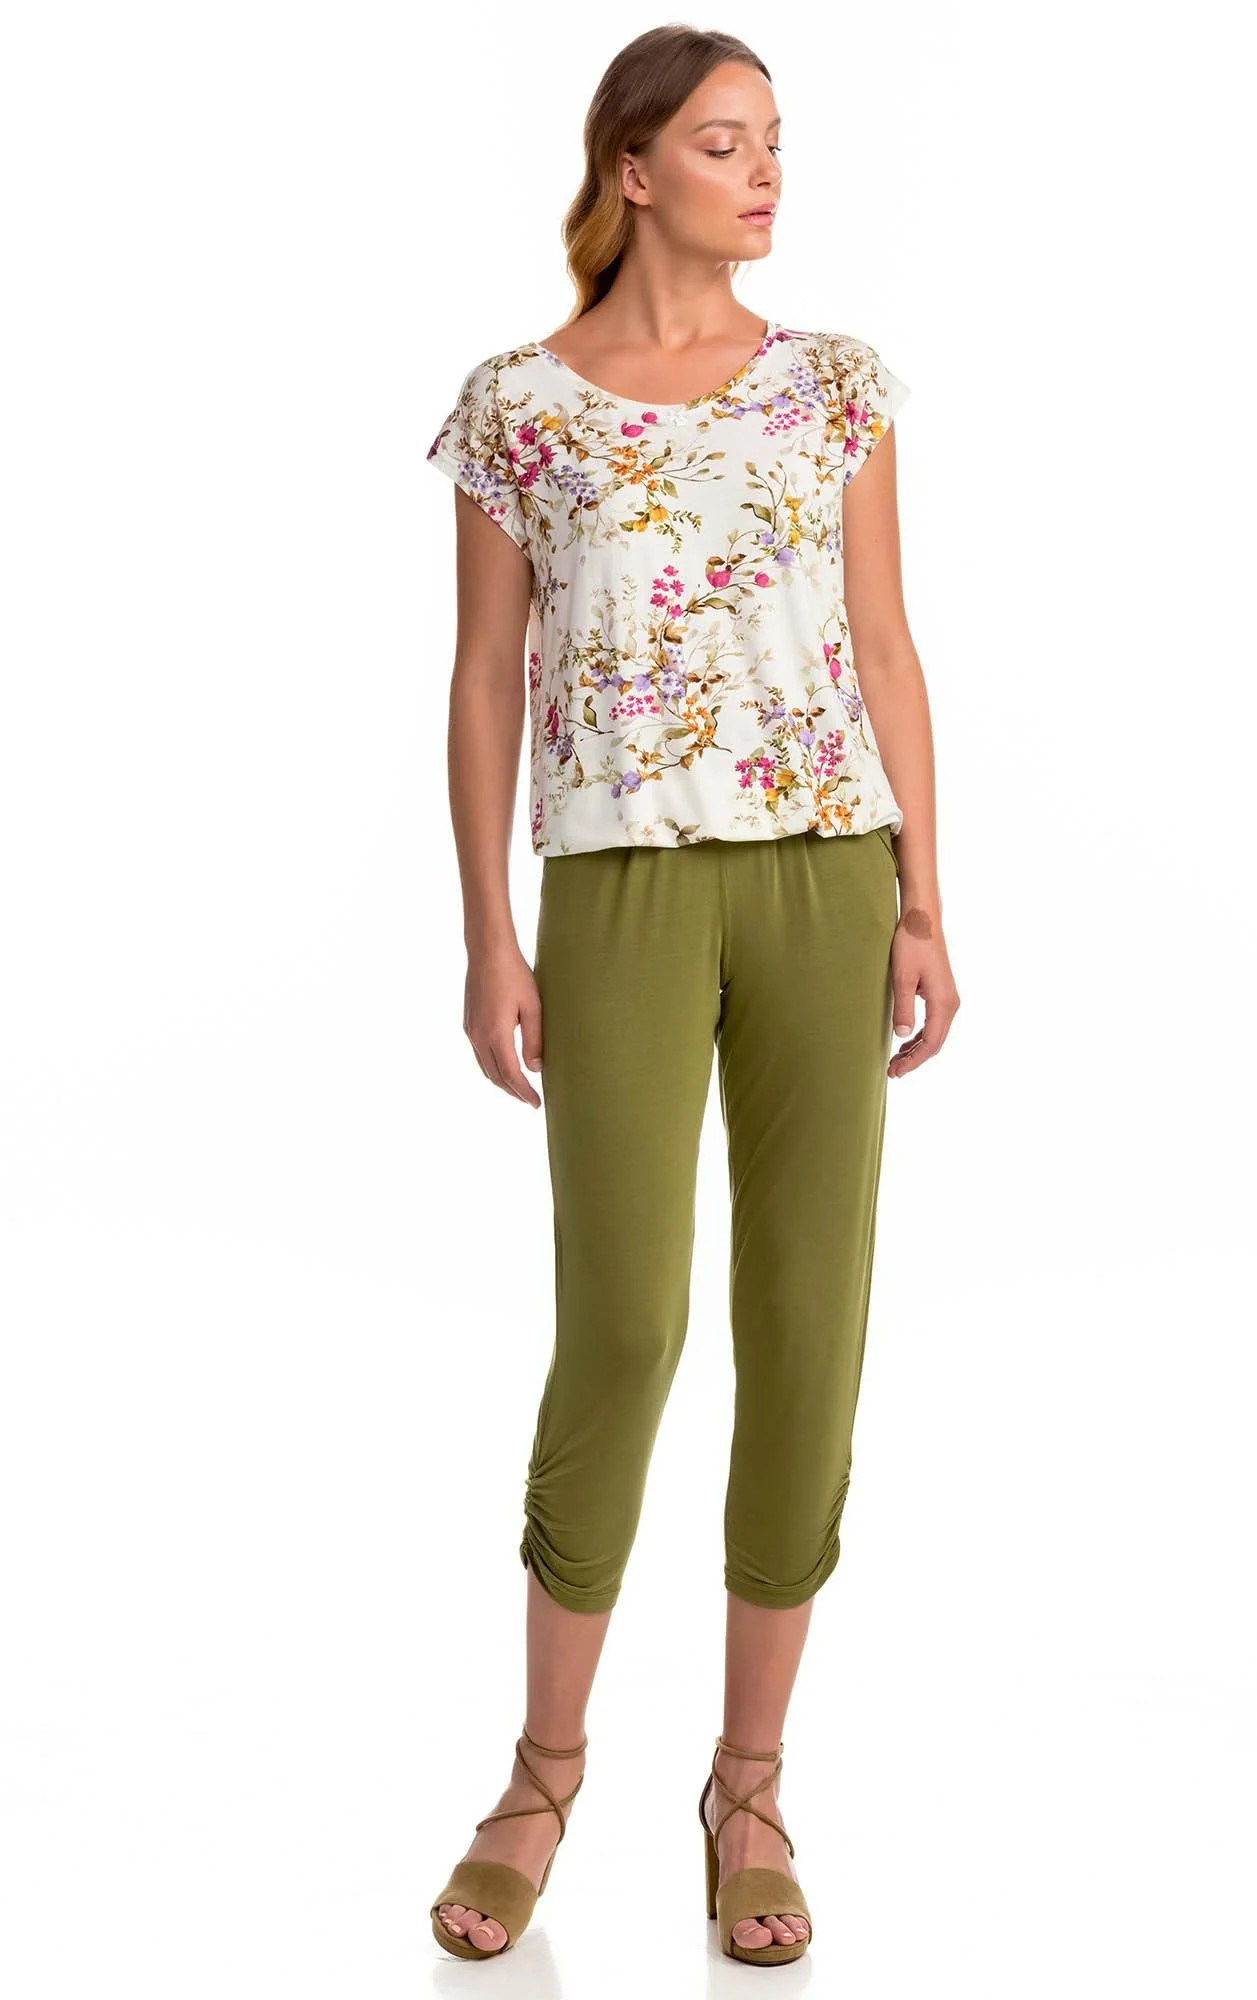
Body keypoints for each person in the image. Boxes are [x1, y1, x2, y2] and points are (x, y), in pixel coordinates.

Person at [422, 23, 959, 1968]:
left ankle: (748, 1783)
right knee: (627, 1325)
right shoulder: (518, 406)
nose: (766, 173)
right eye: (726, 143)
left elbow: (882, 643)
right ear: (631, 168)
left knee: (806, 1326)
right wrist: (489, 932)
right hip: (617, 883)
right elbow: (484, 675)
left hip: (825, 869)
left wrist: (924, 898)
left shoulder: (835, 386)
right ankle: (541, 1770)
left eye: (777, 142)